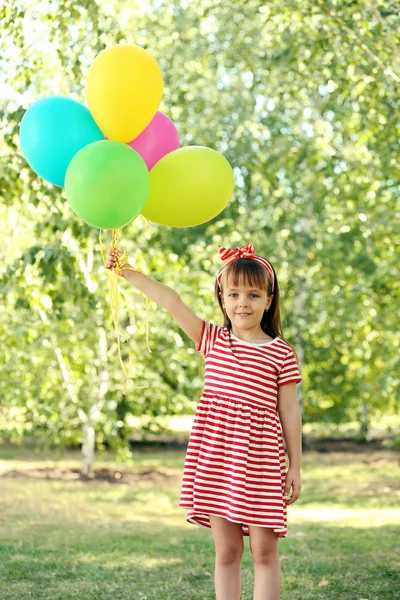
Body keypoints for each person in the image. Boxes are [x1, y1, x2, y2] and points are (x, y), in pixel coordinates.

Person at [105, 242, 303, 600]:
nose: (243, 302)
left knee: (264, 551)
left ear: (269, 300)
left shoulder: (281, 353)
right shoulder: (212, 340)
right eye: (234, 293)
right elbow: (171, 301)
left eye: (254, 294)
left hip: (260, 460)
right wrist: (127, 271)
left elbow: (289, 411)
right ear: (223, 299)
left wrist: (296, 465)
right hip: (217, 458)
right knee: (227, 552)